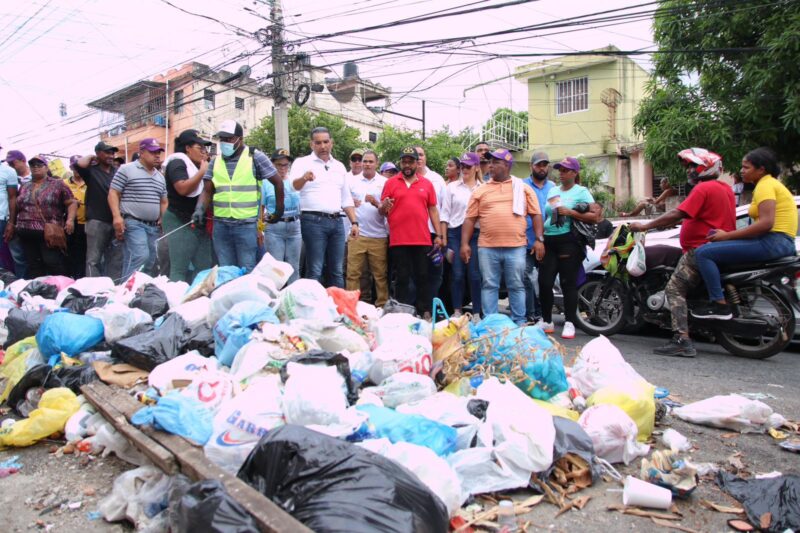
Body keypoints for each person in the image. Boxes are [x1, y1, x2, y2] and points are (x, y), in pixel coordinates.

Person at [631, 147, 735, 357]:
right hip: (715, 249)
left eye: (692, 166)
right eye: (688, 166)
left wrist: (645, 226)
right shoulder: (725, 188)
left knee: (674, 290)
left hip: (699, 250)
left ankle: (682, 339)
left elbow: (678, 213)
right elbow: (689, 216)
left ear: (705, 168)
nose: (689, 171)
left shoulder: (703, 189)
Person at [692, 147, 797, 320]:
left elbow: (766, 223)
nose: (741, 171)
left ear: (761, 169)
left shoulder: (765, 186)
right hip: (777, 242)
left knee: (703, 253)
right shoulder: (769, 184)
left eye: (746, 167)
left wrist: (726, 236)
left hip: (773, 242)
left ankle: (719, 305)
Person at [461, 149, 543, 325]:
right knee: (489, 285)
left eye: (495, 162)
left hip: (516, 246)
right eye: (489, 162)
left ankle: (519, 322)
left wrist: (539, 239)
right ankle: (491, 323)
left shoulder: (522, 188)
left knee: (516, 285)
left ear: (507, 165)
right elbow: (469, 219)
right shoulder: (480, 190)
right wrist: (465, 244)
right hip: (487, 247)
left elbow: (536, 214)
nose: (490, 165)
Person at [195, 120, 283, 272]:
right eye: (222, 139)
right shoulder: (215, 162)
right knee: (226, 270)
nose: (224, 143)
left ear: (240, 139)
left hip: (246, 225)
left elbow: (278, 182)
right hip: (221, 225)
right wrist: (199, 209)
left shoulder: (255, 157)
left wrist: (278, 210)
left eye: (228, 139)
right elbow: (207, 191)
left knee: (246, 269)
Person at [538, 157, 602, 339]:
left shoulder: (581, 191)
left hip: (569, 240)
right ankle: (547, 320)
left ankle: (570, 322)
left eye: (566, 170)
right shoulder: (553, 190)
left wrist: (571, 212)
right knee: (545, 282)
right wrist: (540, 237)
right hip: (549, 239)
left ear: (574, 173)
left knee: (568, 283)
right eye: (560, 170)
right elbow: (547, 215)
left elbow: (596, 216)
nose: (562, 173)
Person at [291, 127, 358, 287]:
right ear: (311, 144)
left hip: (337, 222)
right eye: (318, 142)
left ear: (331, 143)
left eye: (326, 142)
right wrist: (304, 178)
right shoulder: (302, 162)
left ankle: (338, 308)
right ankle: (313, 308)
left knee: (336, 269)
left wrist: (355, 223)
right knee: (315, 269)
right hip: (313, 221)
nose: (323, 146)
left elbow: (346, 198)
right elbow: (293, 186)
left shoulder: (339, 166)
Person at [380, 147, 442, 318]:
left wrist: (439, 235)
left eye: (410, 161)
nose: (407, 165)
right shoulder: (390, 183)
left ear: (417, 163)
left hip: (422, 239)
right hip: (399, 240)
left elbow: (433, 210)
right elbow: (382, 210)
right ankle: (401, 313)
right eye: (404, 161)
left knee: (423, 277)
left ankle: (425, 312)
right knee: (401, 279)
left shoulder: (427, 184)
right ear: (400, 162)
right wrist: (384, 206)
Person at [109, 139, 168, 280]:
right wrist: (117, 217)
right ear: (141, 152)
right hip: (133, 222)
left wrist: (162, 218)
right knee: (140, 256)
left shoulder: (160, 176)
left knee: (150, 261)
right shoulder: (126, 169)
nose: (157, 155)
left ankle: (136, 291)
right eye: (153, 152)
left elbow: (164, 201)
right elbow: (113, 193)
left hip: (153, 226)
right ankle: (126, 290)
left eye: (158, 152)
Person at [12, 155, 76, 277]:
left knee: (52, 262)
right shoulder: (25, 186)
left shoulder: (58, 184)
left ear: (46, 168)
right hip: (26, 231)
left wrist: (70, 220)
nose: (35, 167)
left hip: (49, 232)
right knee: (33, 265)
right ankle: (39, 290)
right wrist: (13, 223)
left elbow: (72, 202)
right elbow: (17, 205)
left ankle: (60, 287)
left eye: (39, 165)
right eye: (32, 165)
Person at [162, 129, 213, 282]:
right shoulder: (177, 163)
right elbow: (182, 188)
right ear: (188, 148)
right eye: (200, 148)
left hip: (198, 222)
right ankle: (176, 300)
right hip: (179, 219)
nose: (204, 152)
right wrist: (202, 172)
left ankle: (198, 300)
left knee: (204, 266)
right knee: (180, 267)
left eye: (205, 149)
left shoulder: (197, 165)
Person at [441, 152, 482, 317]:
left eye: (468, 166)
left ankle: (478, 312)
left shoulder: (484, 187)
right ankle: (457, 310)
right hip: (455, 233)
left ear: (476, 168)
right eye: (462, 166)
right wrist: (443, 238)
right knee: (457, 273)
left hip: (476, 233)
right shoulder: (451, 187)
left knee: (474, 274)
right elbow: (444, 214)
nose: (465, 169)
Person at [346, 150, 389, 306]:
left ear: (377, 163)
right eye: (365, 161)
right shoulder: (350, 181)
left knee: (380, 275)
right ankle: (352, 306)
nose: (367, 164)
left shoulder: (385, 182)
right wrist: (350, 201)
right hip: (357, 234)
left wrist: (376, 203)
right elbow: (343, 202)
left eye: (371, 161)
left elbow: (388, 209)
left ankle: (382, 306)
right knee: (353, 274)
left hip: (379, 235)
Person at [75, 141, 122, 279]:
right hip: (96, 220)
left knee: (115, 258)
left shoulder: (117, 171)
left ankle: (114, 288)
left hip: (115, 220)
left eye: (112, 152)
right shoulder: (91, 170)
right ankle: (93, 289)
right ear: (98, 153)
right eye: (107, 152)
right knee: (93, 259)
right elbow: (79, 164)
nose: (111, 155)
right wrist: (91, 157)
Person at [523, 151, 555, 323]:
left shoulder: (553, 187)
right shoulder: (522, 186)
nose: (542, 168)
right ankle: (531, 313)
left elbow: (557, 214)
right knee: (525, 276)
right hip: (526, 240)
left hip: (548, 241)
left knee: (544, 280)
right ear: (531, 166)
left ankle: (544, 313)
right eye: (538, 165)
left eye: (544, 165)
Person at [262, 149, 302, 285]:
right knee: (276, 268)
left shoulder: (293, 181)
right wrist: (259, 229)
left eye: (286, 165)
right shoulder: (266, 183)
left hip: (294, 226)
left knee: (294, 267)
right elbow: (260, 208)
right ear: (272, 164)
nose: (283, 168)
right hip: (274, 227)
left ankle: (293, 299)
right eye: (279, 164)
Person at [414, 145, 446, 299]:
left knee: (435, 273)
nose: (419, 158)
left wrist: (441, 235)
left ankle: (429, 307)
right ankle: (416, 309)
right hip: (413, 235)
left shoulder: (436, 179)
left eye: (421, 154)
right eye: (416, 155)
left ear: (425, 157)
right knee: (415, 274)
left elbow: (443, 208)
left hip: (434, 234)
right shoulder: (404, 179)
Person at [64, 155, 87, 278]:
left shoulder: (89, 182)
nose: (77, 169)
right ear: (70, 167)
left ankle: (82, 278)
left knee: (85, 255)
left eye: (79, 166)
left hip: (87, 224)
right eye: (74, 166)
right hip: (71, 224)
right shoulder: (64, 184)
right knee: (71, 253)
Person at [0, 147, 21, 275]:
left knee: (3, 257)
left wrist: (11, 223)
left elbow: (13, 198)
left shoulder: (8, 171)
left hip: (1, 220)